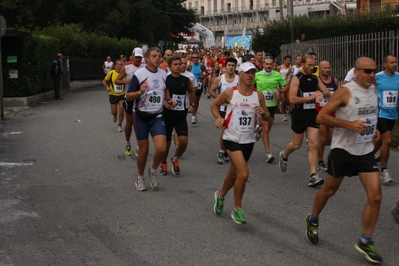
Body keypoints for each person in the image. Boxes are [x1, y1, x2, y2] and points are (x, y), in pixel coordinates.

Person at [306, 57, 383, 264]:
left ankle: (366, 240)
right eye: (367, 71)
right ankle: (313, 219)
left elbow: (368, 115)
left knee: (375, 197)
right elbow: (321, 118)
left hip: (365, 151)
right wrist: (349, 125)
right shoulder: (345, 92)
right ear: (356, 72)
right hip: (343, 151)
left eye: (374, 71)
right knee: (329, 191)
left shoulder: (374, 90)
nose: (371, 75)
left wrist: (373, 130)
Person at [211, 62, 271, 224]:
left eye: (253, 73)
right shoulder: (230, 93)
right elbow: (214, 105)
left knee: (233, 174)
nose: (250, 75)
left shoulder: (258, 96)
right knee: (243, 174)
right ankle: (237, 208)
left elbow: (267, 117)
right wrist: (218, 118)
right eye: (247, 73)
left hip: (248, 140)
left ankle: (221, 196)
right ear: (240, 74)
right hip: (231, 139)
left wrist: (263, 113)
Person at [125, 47, 175, 191]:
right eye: (154, 56)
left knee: (161, 148)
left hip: (157, 115)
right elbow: (128, 96)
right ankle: (140, 177)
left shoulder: (164, 73)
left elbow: (165, 90)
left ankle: (153, 171)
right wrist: (140, 92)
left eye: (159, 56)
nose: (158, 58)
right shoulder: (139, 74)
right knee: (144, 150)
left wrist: (168, 100)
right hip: (140, 115)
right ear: (147, 58)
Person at [278, 54, 330, 187]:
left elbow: (327, 92)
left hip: (312, 114)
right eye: (309, 65)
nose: (312, 68)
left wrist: (320, 94)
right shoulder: (297, 78)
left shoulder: (315, 78)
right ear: (302, 65)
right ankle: (284, 156)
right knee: (297, 145)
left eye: (313, 65)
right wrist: (311, 97)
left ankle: (313, 175)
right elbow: (293, 99)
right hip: (299, 114)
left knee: (313, 144)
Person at [159, 56, 195, 176]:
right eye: (175, 64)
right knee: (166, 144)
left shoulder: (186, 80)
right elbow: (161, 94)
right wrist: (165, 103)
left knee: (183, 141)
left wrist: (192, 104)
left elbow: (191, 91)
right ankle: (163, 162)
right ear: (169, 66)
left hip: (180, 115)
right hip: (167, 115)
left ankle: (175, 158)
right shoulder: (165, 79)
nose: (178, 66)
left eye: (180, 64)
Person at [254, 55, 287, 163]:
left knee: (266, 128)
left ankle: (258, 130)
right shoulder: (257, 75)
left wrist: (280, 91)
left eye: (270, 64)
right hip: (261, 106)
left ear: (273, 65)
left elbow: (285, 85)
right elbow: (251, 87)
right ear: (263, 64)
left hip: (272, 106)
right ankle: (268, 153)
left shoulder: (277, 75)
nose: (268, 66)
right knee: (266, 129)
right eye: (266, 64)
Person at [373, 54, 399, 183]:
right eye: (391, 62)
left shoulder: (398, 77)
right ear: (385, 64)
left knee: (379, 141)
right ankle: (384, 170)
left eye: (395, 62)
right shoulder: (377, 77)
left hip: (392, 114)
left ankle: (367, 156)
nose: (394, 64)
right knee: (387, 140)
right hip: (380, 114)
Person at [115, 47, 146, 156]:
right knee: (130, 123)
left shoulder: (145, 67)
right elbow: (117, 80)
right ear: (132, 56)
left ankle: (139, 145)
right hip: (130, 97)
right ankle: (128, 143)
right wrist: (126, 81)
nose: (138, 60)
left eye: (140, 58)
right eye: (136, 57)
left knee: (141, 122)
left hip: (142, 98)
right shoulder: (126, 68)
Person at [209, 57, 239, 165]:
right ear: (225, 67)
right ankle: (222, 151)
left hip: (235, 109)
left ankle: (229, 151)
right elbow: (211, 90)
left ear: (235, 67)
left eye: (233, 65)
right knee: (224, 130)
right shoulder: (220, 79)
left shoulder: (239, 79)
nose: (231, 67)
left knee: (234, 130)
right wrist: (219, 98)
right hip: (223, 109)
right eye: (229, 65)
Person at [316, 61, 339, 172]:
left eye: (329, 67)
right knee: (323, 138)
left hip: (332, 113)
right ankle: (320, 161)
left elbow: (337, 96)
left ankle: (327, 155)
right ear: (320, 69)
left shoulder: (334, 81)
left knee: (332, 139)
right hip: (320, 113)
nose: (327, 69)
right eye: (325, 68)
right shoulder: (317, 81)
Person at [102, 59, 125, 132]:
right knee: (114, 112)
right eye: (119, 64)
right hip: (113, 94)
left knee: (121, 109)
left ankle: (119, 125)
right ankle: (115, 115)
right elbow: (104, 81)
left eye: (122, 64)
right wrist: (107, 87)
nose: (121, 66)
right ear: (115, 66)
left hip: (122, 94)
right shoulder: (111, 73)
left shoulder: (125, 74)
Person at [187, 52, 209, 124]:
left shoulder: (201, 66)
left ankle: (194, 115)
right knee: (190, 100)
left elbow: (207, 73)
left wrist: (204, 76)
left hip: (199, 84)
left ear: (199, 59)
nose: (195, 59)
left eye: (197, 57)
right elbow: (186, 74)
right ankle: (192, 113)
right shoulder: (190, 66)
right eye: (194, 57)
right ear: (192, 59)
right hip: (191, 85)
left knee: (196, 101)